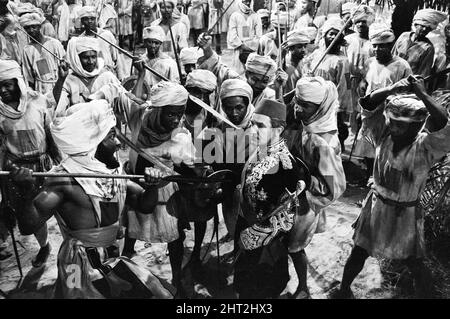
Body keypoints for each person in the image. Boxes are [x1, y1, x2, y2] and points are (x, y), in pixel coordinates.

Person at [10, 100, 174, 299]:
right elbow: (28, 227)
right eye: (112, 136)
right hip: (75, 265)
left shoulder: (110, 171)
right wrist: (26, 194)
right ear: (92, 142)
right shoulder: (64, 179)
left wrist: (153, 187)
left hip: (110, 258)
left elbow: (144, 206)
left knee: (157, 294)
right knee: (76, 295)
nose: (119, 143)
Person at [329, 75, 450, 299]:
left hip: (405, 215)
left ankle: (428, 294)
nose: (395, 128)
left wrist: (423, 94)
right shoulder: (383, 134)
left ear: (417, 126)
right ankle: (344, 289)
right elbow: (367, 104)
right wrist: (392, 89)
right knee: (359, 251)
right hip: (376, 208)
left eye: (403, 126)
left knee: (413, 261)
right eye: (392, 122)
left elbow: (445, 126)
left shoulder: (425, 147)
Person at [108, 80, 198, 297]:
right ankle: (124, 272)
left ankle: (177, 278)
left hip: (164, 193)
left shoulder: (180, 136)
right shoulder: (138, 117)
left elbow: (191, 168)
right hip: (134, 187)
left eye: (180, 113)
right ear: (157, 110)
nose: (176, 120)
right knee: (130, 234)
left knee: (174, 238)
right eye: (170, 114)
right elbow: (123, 100)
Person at [233, 98, 310, 298]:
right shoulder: (259, 151)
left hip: (266, 245)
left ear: (278, 129)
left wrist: (257, 235)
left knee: (261, 290)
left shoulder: (285, 165)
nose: (253, 130)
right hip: (247, 232)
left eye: (260, 126)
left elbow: (286, 217)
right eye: (252, 124)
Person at [286, 76, 346, 299]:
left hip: (305, 201)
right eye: (297, 101)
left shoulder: (324, 141)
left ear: (320, 107)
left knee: (294, 246)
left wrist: (304, 178)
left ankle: (303, 286)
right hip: (290, 193)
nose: (298, 108)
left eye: (305, 105)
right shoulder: (305, 123)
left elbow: (334, 186)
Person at [0, 59, 59, 268]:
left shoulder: (38, 102)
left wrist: (58, 161)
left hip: (43, 164)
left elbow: (50, 133)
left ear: (19, 83)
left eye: (8, 84)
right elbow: (1, 147)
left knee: (56, 206)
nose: (3, 90)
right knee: (30, 212)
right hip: (18, 170)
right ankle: (44, 246)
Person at [353, 25, 412, 184]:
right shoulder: (370, 63)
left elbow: (408, 93)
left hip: (390, 113)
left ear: (390, 46)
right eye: (375, 45)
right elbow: (364, 83)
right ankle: (369, 176)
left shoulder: (402, 66)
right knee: (368, 144)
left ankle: (380, 179)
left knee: (385, 146)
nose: (378, 49)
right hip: (370, 110)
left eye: (382, 46)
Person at [303, 17, 351, 152]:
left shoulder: (342, 61)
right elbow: (306, 70)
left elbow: (345, 86)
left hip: (330, 105)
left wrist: (339, 108)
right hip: (313, 101)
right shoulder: (316, 54)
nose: (333, 37)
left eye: (337, 34)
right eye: (331, 33)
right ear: (324, 35)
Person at [53, 36, 121, 117]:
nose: (91, 62)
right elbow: (58, 104)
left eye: (93, 57)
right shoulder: (69, 80)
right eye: (86, 58)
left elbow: (124, 102)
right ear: (77, 59)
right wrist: (61, 79)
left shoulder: (107, 77)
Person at [343, 5, 375, 135]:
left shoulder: (373, 43)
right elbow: (343, 61)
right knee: (347, 106)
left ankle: (359, 134)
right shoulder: (348, 40)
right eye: (359, 21)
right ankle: (349, 134)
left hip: (364, 80)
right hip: (348, 77)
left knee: (360, 107)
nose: (361, 24)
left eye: (364, 21)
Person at [20, 12, 66, 99]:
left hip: (58, 85)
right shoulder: (27, 49)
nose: (31, 30)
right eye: (27, 28)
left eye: (34, 27)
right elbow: (28, 75)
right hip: (40, 89)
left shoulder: (54, 43)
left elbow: (64, 65)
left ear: (40, 27)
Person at [392, 9, 447, 78]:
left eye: (428, 28)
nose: (424, 29)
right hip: (392, 77)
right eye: (423, 26)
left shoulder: (428, 48)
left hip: (408, 84)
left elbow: (423, 73)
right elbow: (392, 56)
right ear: (416, 25)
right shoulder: (404, 36)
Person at [78, 6, 126, 81]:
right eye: (86, 19)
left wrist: (121, 78)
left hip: (109, 76)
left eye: (92, 19)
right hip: (92, 78)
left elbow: (117, 58)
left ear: (96, 19)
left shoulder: (107, 35)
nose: (90, 21)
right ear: (82, 21)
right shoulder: (80, 40)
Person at [227, 0, 262, 75]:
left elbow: (259, 35)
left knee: (252, 72)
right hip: (239, 49)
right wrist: (242, 45)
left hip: (252, 50)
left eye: (249, 1)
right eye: (245, 1)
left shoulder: (255, 16)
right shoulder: (235, 16)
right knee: (239, 72)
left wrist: (251, 46)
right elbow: (232, 34)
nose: (247, 3)